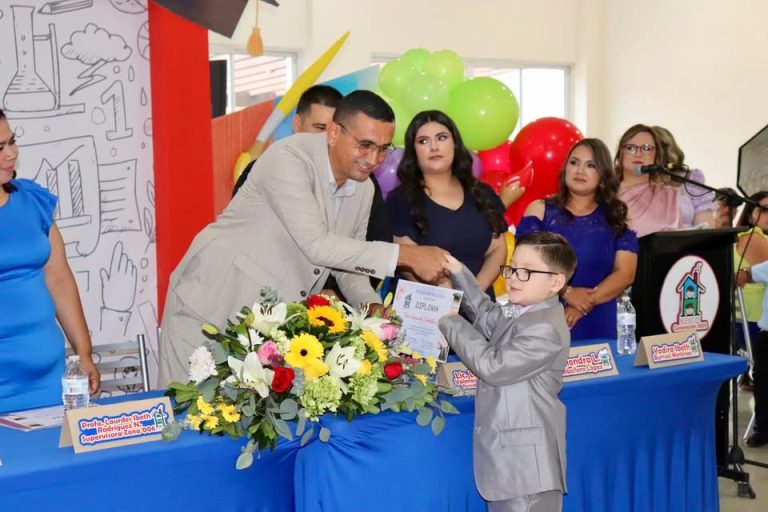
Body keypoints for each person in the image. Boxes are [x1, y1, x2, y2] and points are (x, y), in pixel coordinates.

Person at [159, 91, 449, 386]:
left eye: (383, 149)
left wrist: (371, 308)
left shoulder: (363, 188)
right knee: (186, 408)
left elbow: (349, 267)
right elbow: (317, 245)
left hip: (263, 324)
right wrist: (406, 256)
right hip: (209, 305)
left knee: (237, 413)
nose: (374, 159)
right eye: (365, 145)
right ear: (333, 132)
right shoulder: (288, 158)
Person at [438, 231, 576, 512]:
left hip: (525, 471)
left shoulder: (545, 327)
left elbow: (492, 365)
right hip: (512, 468)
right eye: (512, 268)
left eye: (526, 272)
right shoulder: (522, 312)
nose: (513, 278)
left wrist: (450, 321)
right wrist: (458, 271)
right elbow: (486, 316)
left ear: (556, 282)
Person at [0, 109, 99, 412]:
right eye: (0, 148)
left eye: (12, 142)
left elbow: (58, 278)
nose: (11, 154)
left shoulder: (32, 201)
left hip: (50, 383)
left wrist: (83, 352)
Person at [517, 138, 638, 341]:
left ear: (603, 176)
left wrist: (582, 305)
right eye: (574, 163)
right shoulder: (540, 210)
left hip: (599, 320)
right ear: (565, 169)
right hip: (544, 319)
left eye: (590, 165)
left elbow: (625, 274)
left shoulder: (617, 217)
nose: (580, 170)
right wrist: (566, 292)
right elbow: (526, 263)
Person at [385, 110, 507, 296]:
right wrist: (453, 297)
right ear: (413, 151)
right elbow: (408, 263)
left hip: (480, 305)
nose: (434, 147)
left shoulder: (482, 193)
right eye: (423, 141)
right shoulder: (400, 200)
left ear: (455, 144)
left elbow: (498, 249)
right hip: (426, 304)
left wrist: (474, 294)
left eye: (441, 138)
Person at [232, 84, 343, 197]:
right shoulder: (264, 172)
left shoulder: (347, 177)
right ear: (297, 124)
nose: (327, 137)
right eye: (320, 128)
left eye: (334, 130)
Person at [614, 124, 715, 237]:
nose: (638, 154)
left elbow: (682, 238)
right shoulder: (608, 192)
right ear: (620, 154)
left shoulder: (669, 195)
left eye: (647, 149)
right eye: (631, 148)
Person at [734, 191, 768, 446]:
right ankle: (763, 426)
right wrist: (747, 273)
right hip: (753, 323)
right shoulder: (751, 237)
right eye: (764, 209)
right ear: (750, 212)